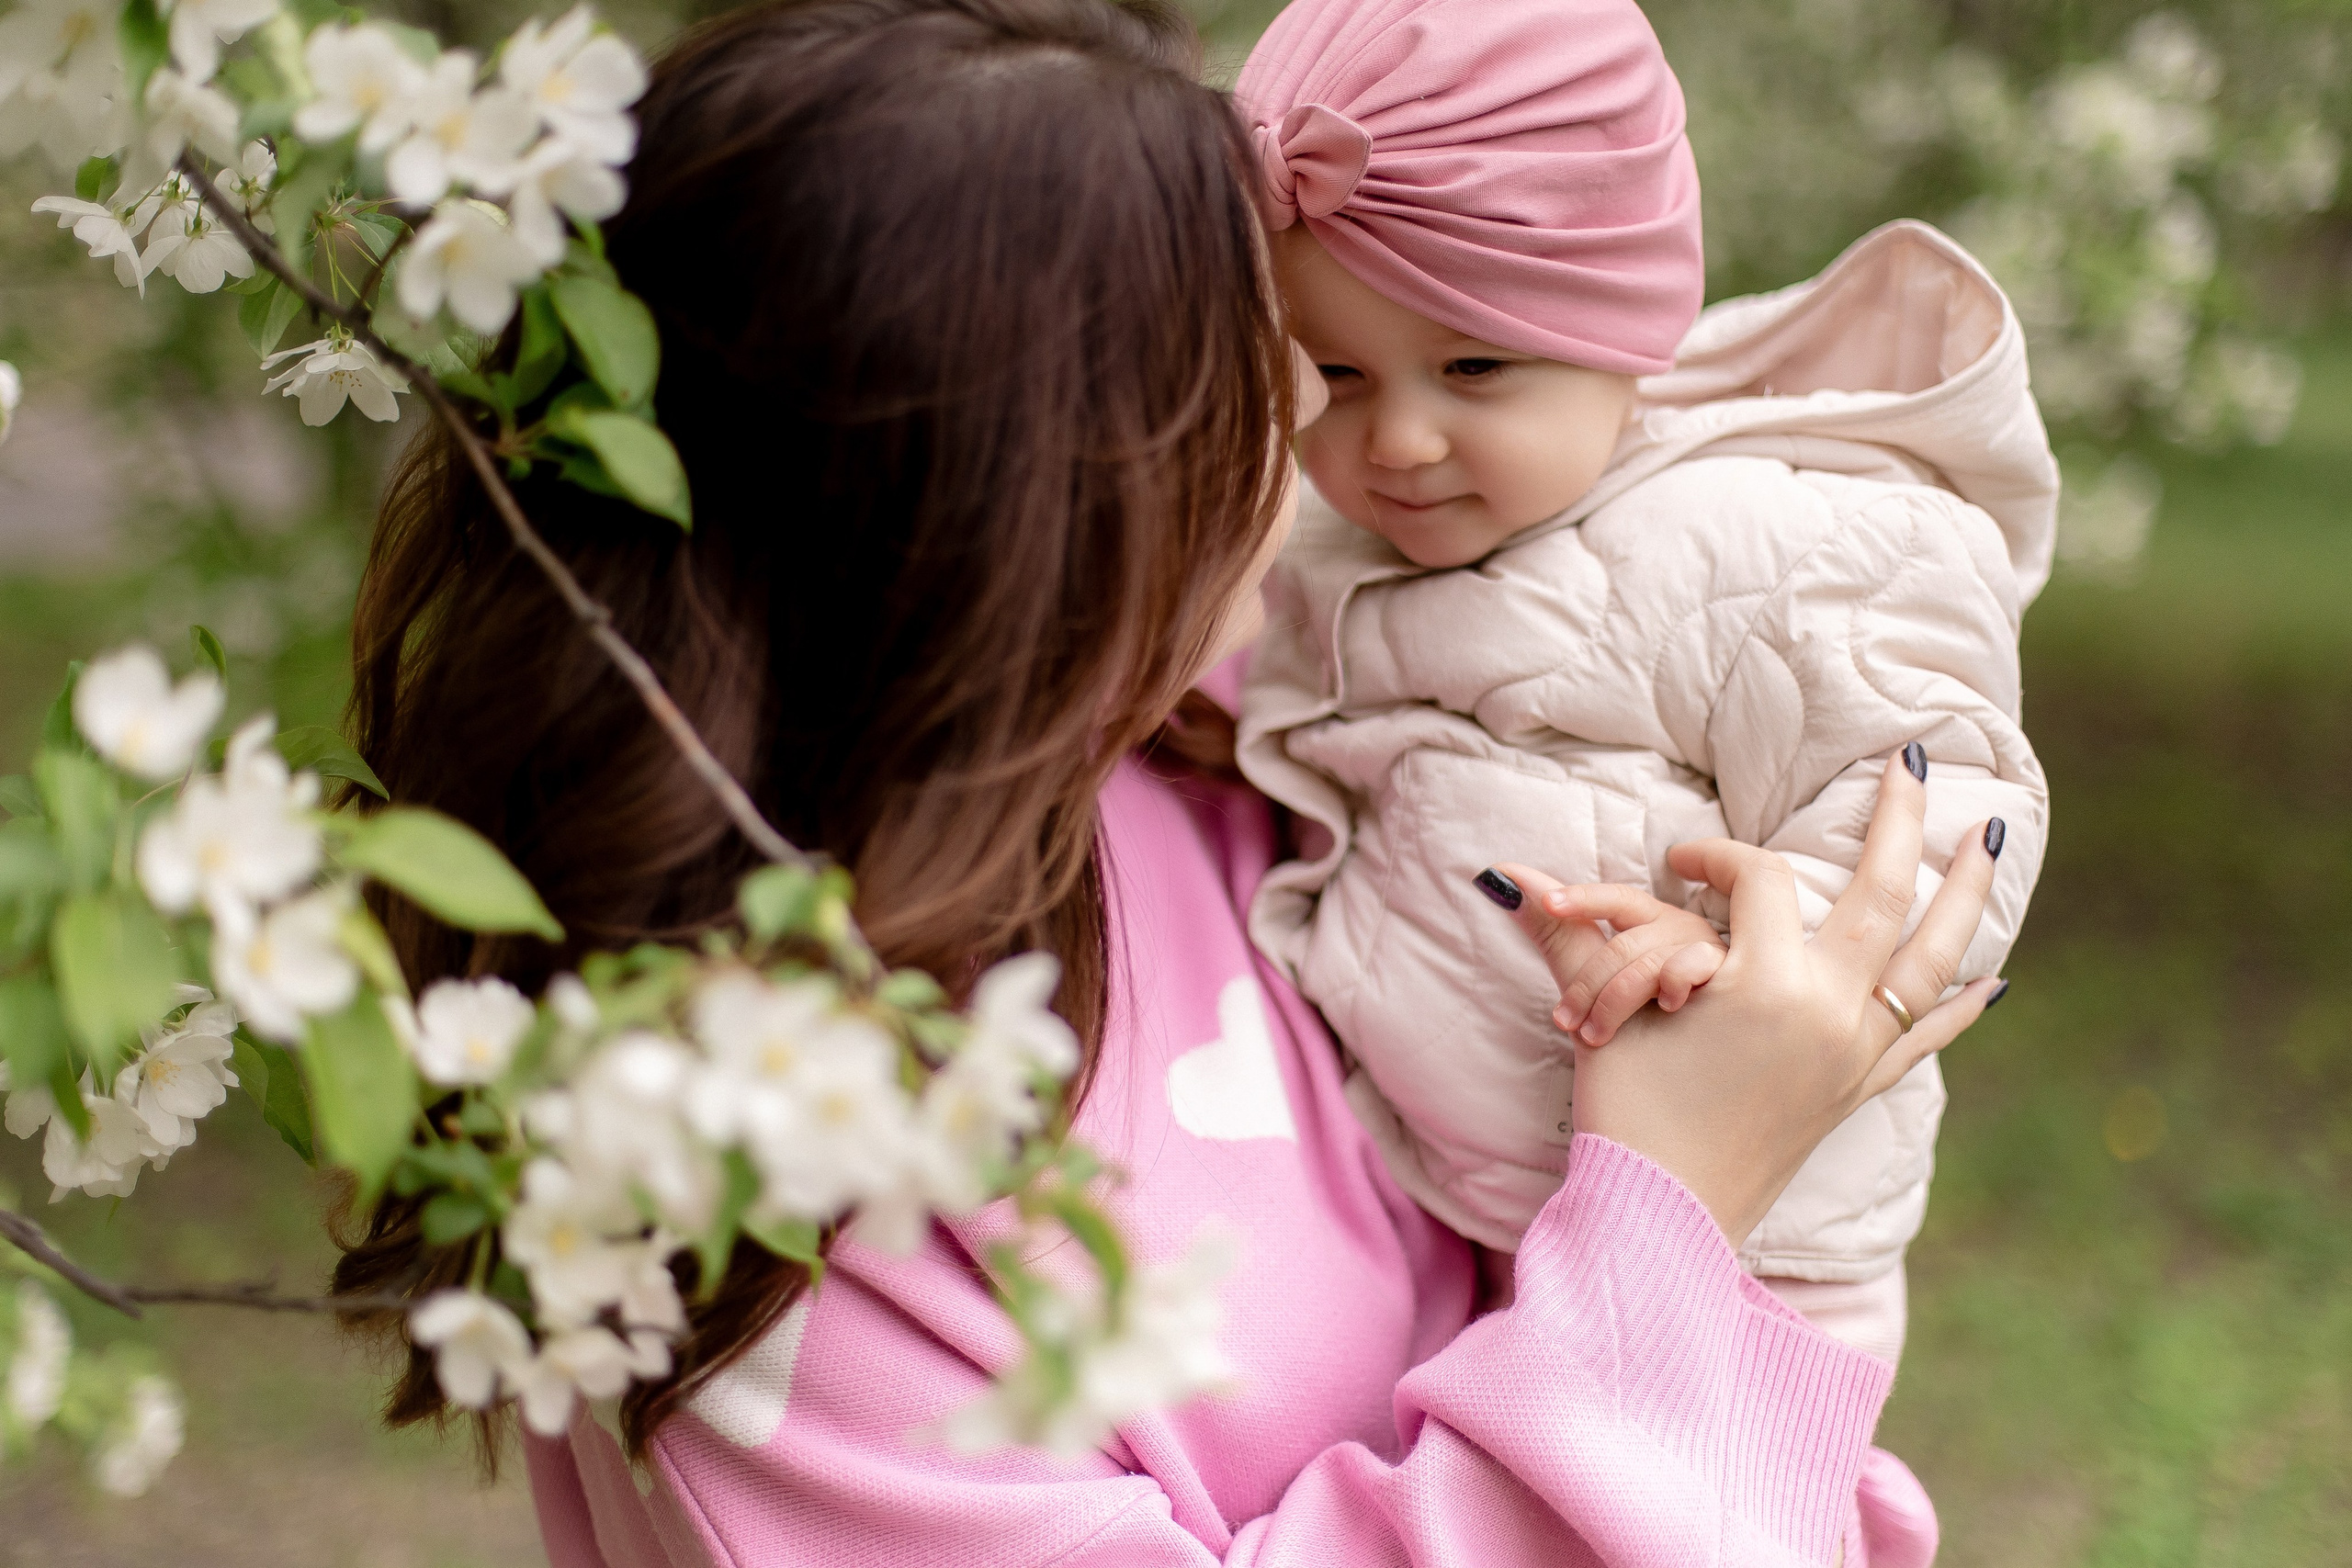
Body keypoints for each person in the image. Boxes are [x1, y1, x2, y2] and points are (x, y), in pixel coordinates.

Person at [332, 3, 2004, 1562]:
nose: (1326, 436)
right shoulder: (765, 1231)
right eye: (1279, 373)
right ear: (1053, 514)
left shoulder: (1191, 742)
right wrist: (1677, 1216)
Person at [1233, 0, 2053, 1367]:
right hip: (1446, 1219)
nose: (1404, 439)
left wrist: (1749, 954)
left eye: (1474, 366)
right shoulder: (1327, 553)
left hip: (1752, 1251)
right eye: (1337, 374)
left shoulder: (1785, 540)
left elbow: (1946, 803)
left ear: (1626, 327)